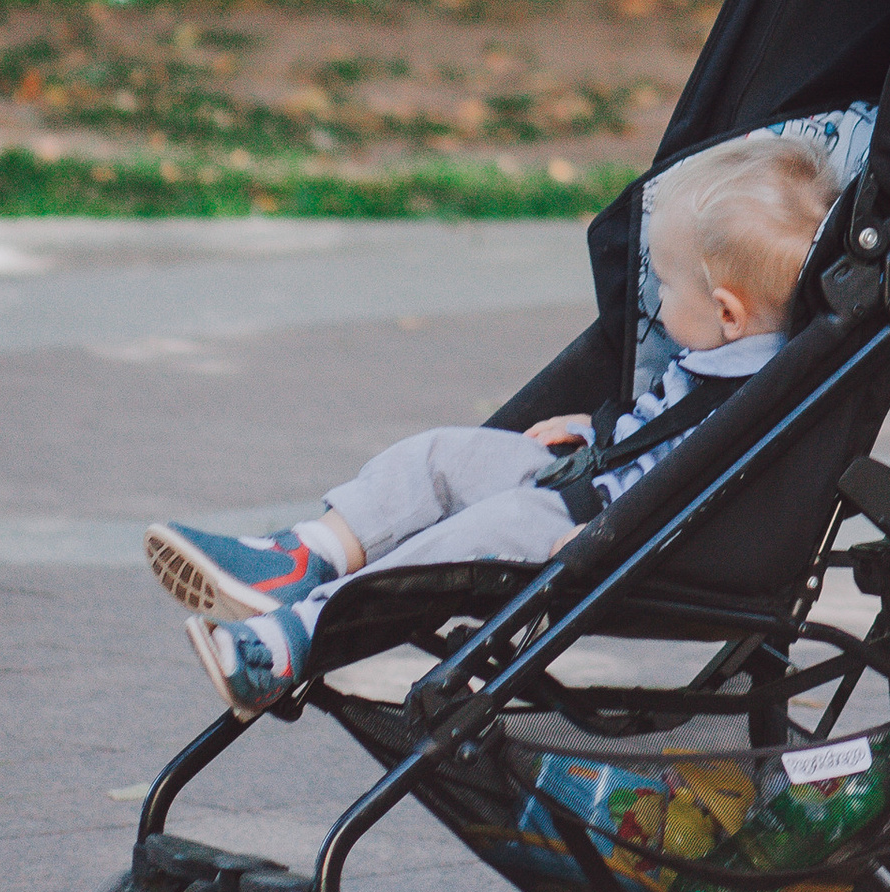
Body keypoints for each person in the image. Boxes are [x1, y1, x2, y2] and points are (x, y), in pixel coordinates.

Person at [144, 134, 835, 713]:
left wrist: (607, 527)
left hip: (616, 539)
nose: (659, 297)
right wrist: (597, 434)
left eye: (670, 283)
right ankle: (304, 554)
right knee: (444, 456)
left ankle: (289, 640)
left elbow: (695, 482)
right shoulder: (724, 352)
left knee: (475, 534)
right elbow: (662, 433)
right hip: (590, 487)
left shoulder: (762, 396)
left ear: (728, 311)